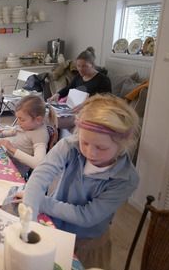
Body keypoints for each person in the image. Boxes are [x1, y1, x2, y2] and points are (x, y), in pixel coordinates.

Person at [21, 94, 140, 269]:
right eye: (85, 143)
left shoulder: (126, 178)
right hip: (54, 228)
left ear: (122, 144)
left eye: (101, 147)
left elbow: (87, 216)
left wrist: (42, 202)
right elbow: (40, 176)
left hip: (88, 242)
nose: (91, 153)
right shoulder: (70, 145)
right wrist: (29, 216)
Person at [0, 95, 58, 170]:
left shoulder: (40, 135)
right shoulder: (28, 125)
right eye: (17, 118)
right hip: (9, 159)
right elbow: (11, 132)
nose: (18, 123)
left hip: (16, 168)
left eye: (22, 120)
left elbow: (38, 164)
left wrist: (11, 148)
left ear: (38, 119)